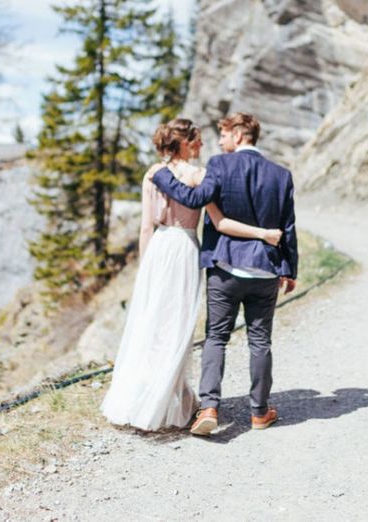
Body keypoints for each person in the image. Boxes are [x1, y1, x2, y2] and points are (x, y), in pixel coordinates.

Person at [100, 118, 283, 431]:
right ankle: (174, 400)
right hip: (184, 247)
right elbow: (220, 221)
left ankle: (148, 398)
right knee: (177, 325)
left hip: (158, 247)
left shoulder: (151, 173)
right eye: (196, 140)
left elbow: (145, 226)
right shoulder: (199, 175)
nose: (201, 146)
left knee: (152, 323)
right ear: (184, 142)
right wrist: (265, 234)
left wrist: (145, 270)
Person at [151, 112, 298, 436]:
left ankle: (209, 407)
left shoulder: (219, 165)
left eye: (224, 134)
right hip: (266, 270)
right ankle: (260, 412)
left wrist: (161, 175)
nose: (219, 141)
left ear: (240, 134)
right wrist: (289, 270)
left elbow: (195, 199)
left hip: (226, 268)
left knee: (217, 337)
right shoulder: (281, 175)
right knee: (260, 341)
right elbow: (288, 227)